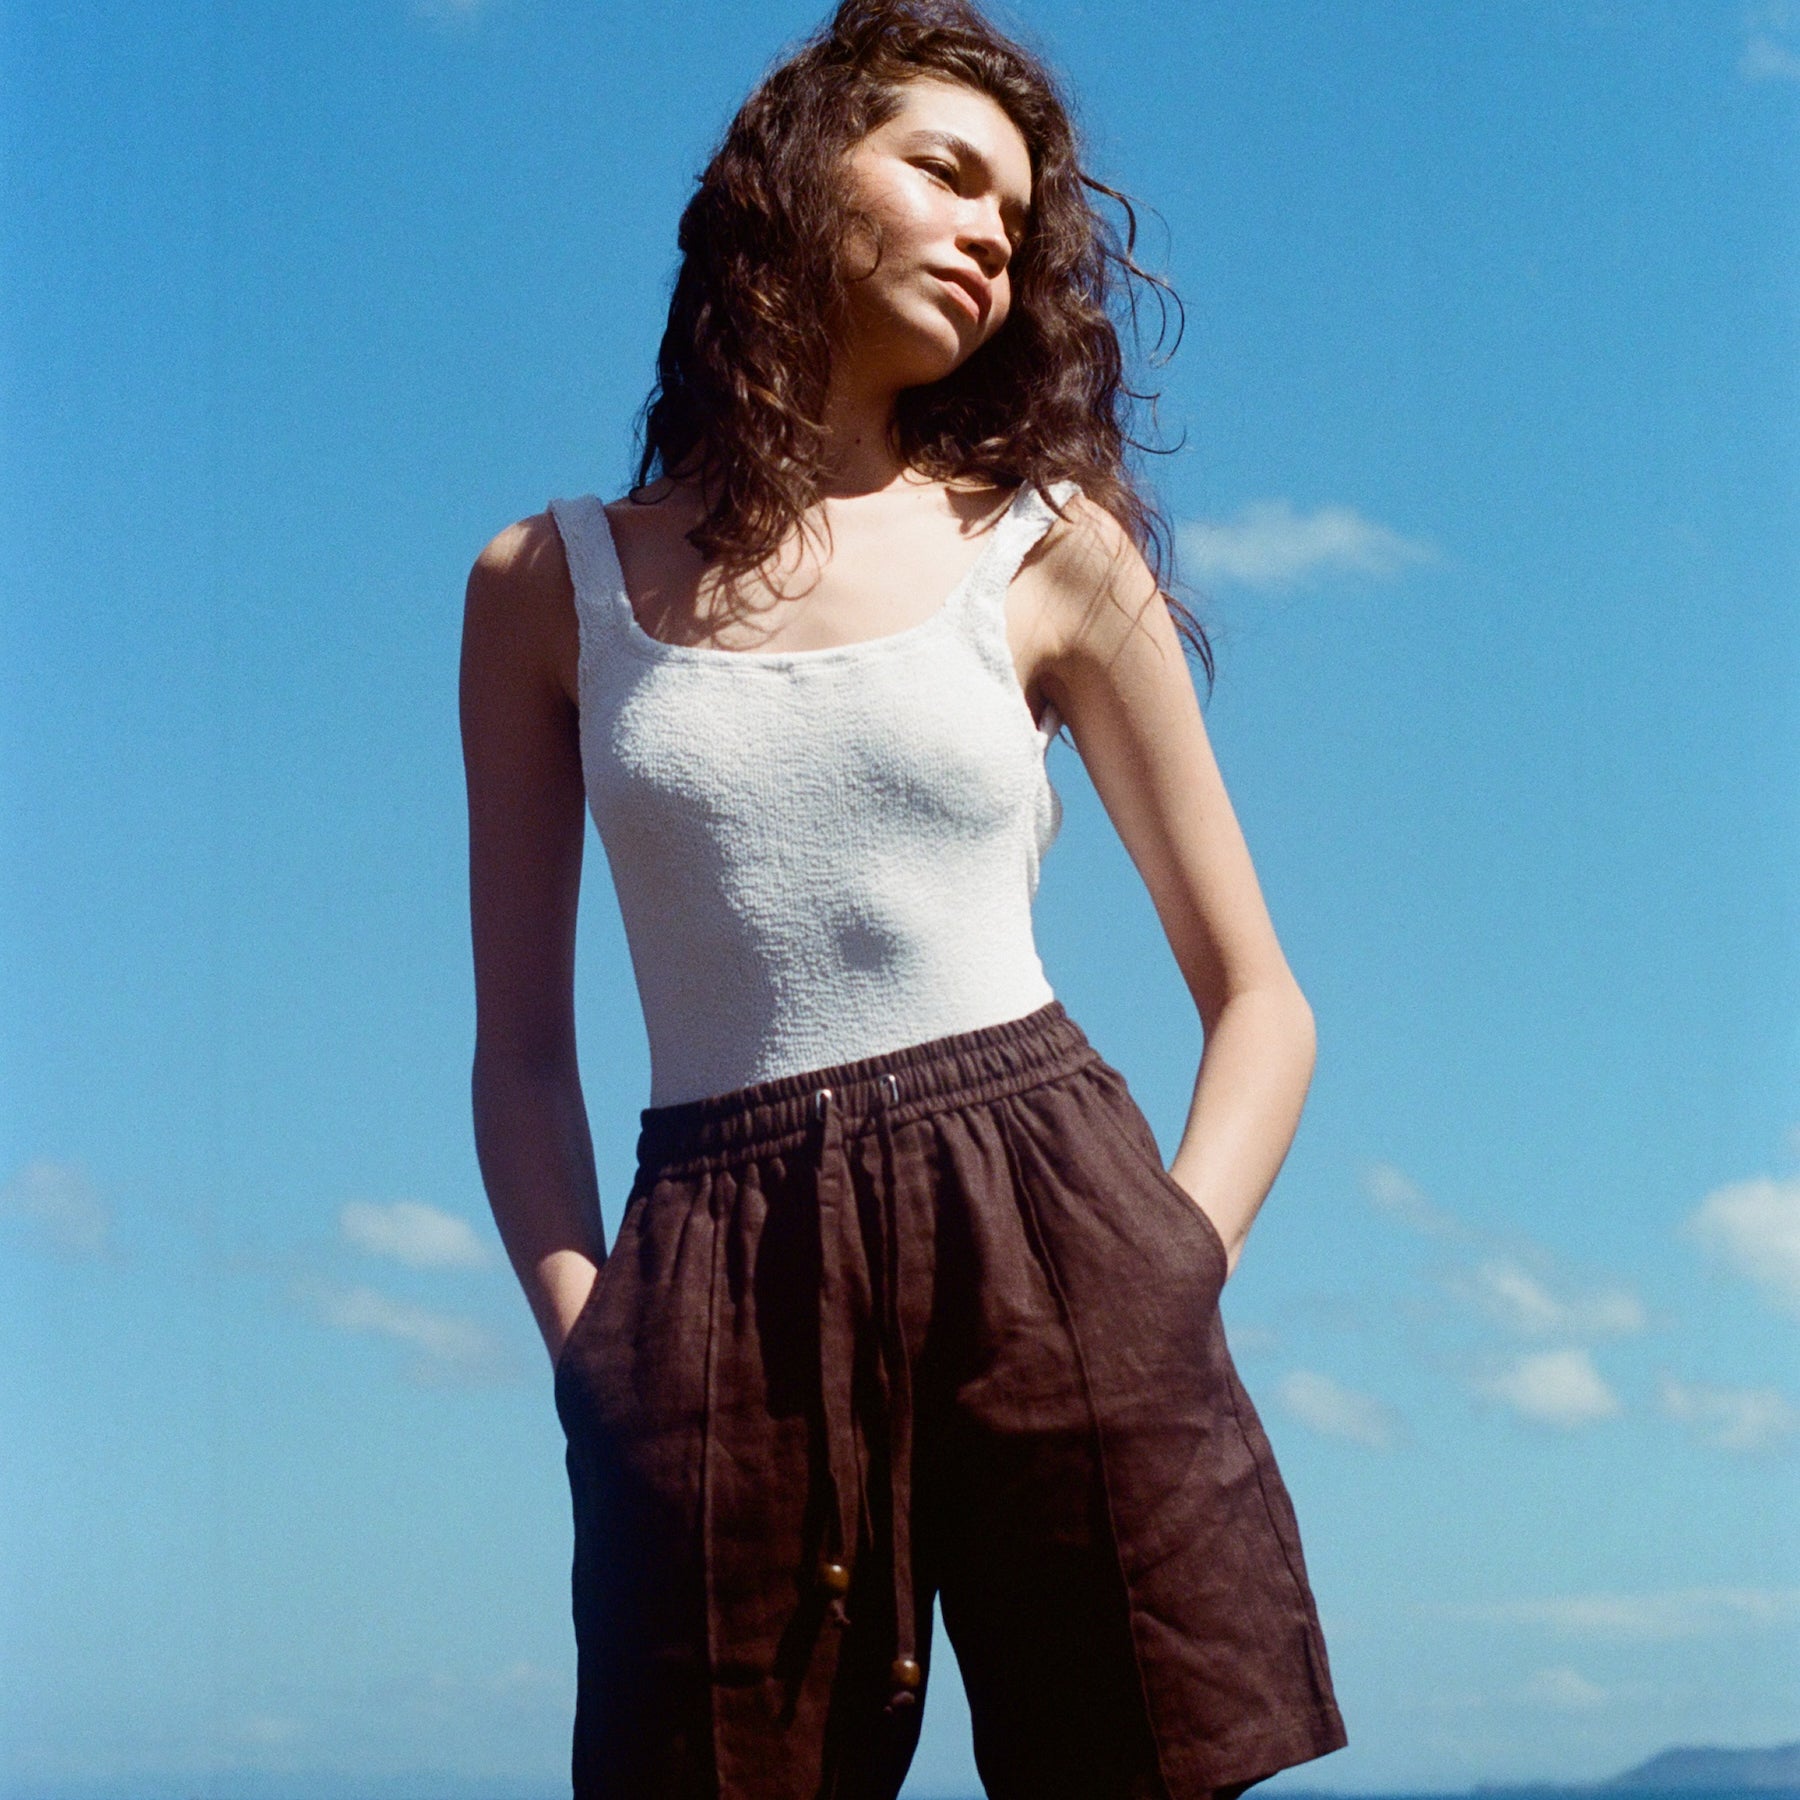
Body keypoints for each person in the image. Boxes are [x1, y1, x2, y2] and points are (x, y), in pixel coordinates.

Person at [459, 2, 1347, 1795]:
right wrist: (592, 1348)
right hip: (713, 1261)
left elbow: (1261, 995)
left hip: (1050, 1219)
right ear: (794, 174)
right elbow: (522, 1050)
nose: (987, 239)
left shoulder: (1048, 549)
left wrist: (1170, 1271)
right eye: (944, 173)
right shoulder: (547, 586)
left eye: (1014, 223)